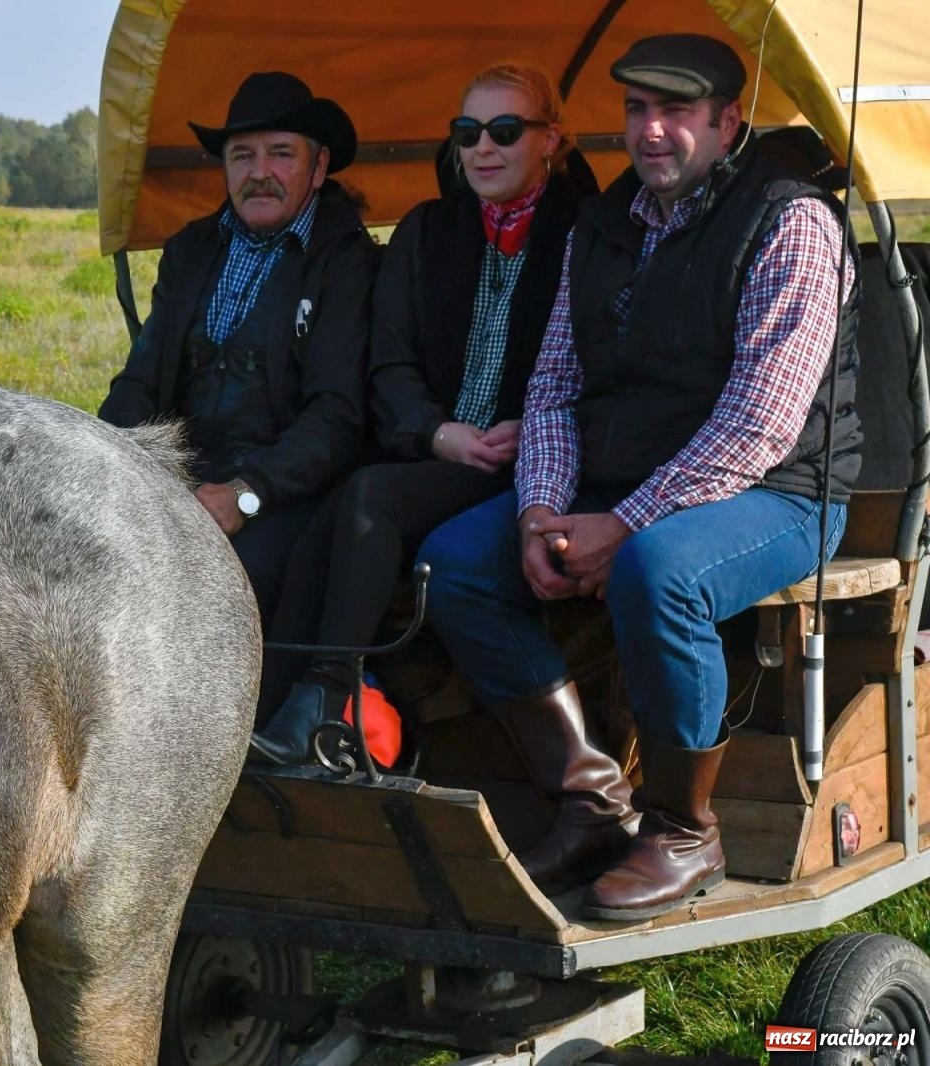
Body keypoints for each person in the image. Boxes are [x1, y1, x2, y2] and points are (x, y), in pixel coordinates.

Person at [417, 34, 860, 920]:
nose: (650, 132)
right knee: (454, 564)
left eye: (676, 112)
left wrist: (620, 524)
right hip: (616, 487)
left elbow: (759, 424)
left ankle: (684, 828)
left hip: (778, 491)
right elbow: (554, 385)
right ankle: (589, 799)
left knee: (660, 572)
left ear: (728, 120)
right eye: (634, 110)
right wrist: (541, 510)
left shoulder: (790, 219)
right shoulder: (607, 221)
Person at [250, 64, 597, 765]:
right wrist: (437, 432)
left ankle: (327, 697)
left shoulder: (587, 235)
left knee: (371, 496)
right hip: (441, 448)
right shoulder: (429, 231)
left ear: (549, 140)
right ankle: (268, 713)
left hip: (540, 464)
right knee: (323, 520)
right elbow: (390, 360)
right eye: (467, 134)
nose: (483, 149)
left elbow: (608, 360)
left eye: (505, 131)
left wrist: (537, 428)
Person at [98, 72, 378, 628]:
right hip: (185, 474)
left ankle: (265, 712)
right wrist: (101, 456)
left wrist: (247, 493)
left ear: (318, 168)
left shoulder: (347, 262)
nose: (259, 174)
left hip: (291, 490)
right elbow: (141, 381)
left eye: (281, 155)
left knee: (222, 589)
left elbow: (337, 416)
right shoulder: (192, 251)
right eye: (242, 156)